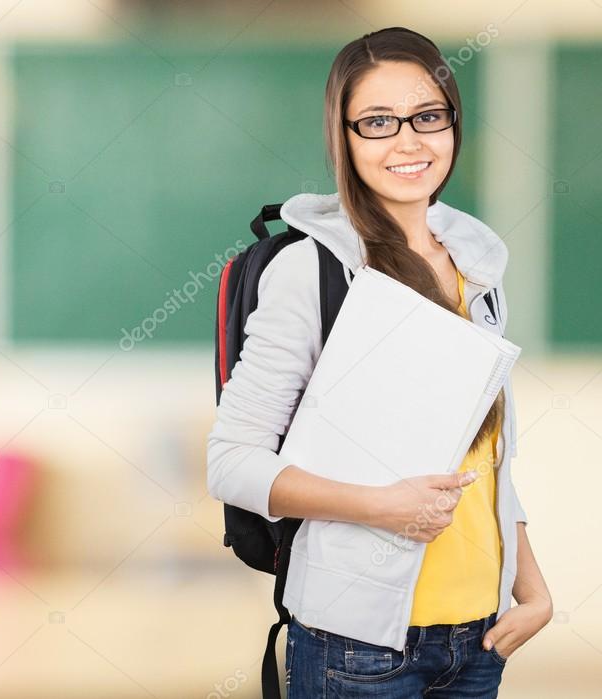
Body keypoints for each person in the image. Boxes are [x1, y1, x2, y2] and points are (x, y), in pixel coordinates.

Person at [206, 27, 552, 697]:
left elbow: (487, 461)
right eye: (376, 122)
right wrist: (379, 506)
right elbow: (231, 462)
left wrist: (530, 588)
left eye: (427, 116)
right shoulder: (311, 270)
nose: (407, 140)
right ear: (344, 136)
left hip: (476, 638)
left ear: (452, 123)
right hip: (358, 647)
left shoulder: (474, 266)